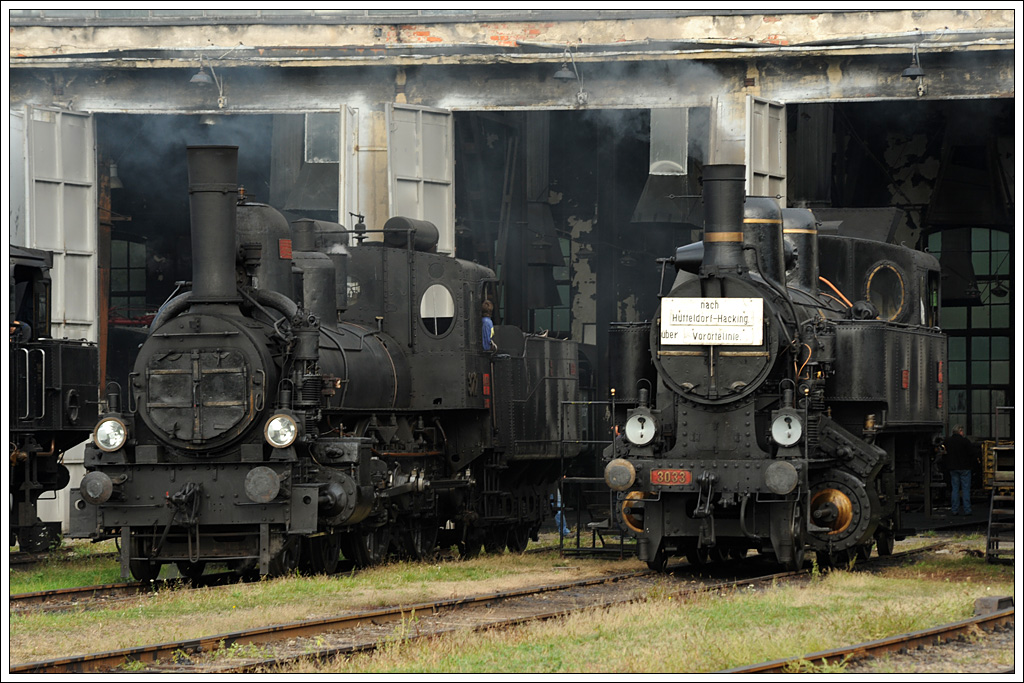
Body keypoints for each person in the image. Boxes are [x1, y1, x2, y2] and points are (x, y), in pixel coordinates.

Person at [943, 424, 975, 516]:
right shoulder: (965, 441)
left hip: (953, 468)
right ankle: (967, 509)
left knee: (955, 489)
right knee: (965, 489)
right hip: (965, 468)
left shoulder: (948, 441)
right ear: (960, 431)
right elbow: (971, 453)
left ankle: (954, 509)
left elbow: (944, 453)